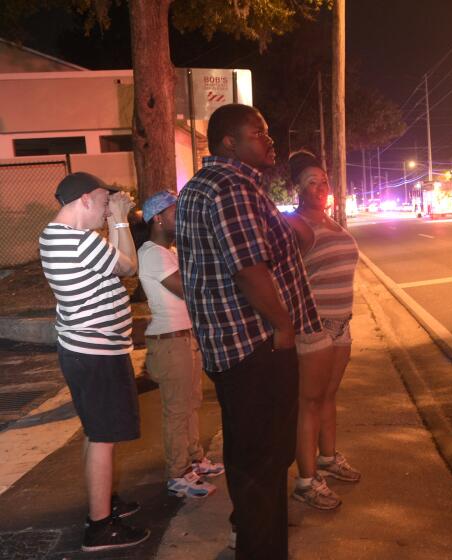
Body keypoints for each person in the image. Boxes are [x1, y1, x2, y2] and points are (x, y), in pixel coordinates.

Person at [175, 103, 325, 560]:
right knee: (266, 460)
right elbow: (248, 269)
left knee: (247, 453)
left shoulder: (204, 186)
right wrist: (282, 326)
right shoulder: (231, 186)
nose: (270, 139)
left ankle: (249, 531)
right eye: (258, 133)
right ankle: (262, 548)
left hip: (230, 347)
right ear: (229, 143)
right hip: (255, 344)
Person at [39, 172, 150, 552]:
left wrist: (116, 218)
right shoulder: (80, 242)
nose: (107, 210)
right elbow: (128, 267)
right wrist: (121, 219)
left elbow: (118, 263)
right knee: (103, 438)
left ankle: (104, 502)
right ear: (85, 200)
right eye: (104, 202)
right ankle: (100, 527)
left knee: (96, 432)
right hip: (98, 352)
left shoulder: (53, 236)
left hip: (84, 349)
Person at [285, 150, 360, 511]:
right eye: (309, 181)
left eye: (323, 181)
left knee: (328, 397)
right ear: (296, 188)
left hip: (340, 324)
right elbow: (280, 276)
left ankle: (327, 460)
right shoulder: (295, 225)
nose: (318, 187)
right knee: (309, 403)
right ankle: (305, 480)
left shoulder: (332, 223)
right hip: (314, 327)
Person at [137, 191, 224, 499]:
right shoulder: (152, 253)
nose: (181, 219)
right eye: (176, 213)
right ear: (157, 218)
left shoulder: (168, 251)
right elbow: (189, 290)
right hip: (170, 341)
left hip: (183, 337)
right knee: (176, 410)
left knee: (190, 404)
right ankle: (178, 474)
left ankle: (195, 459)